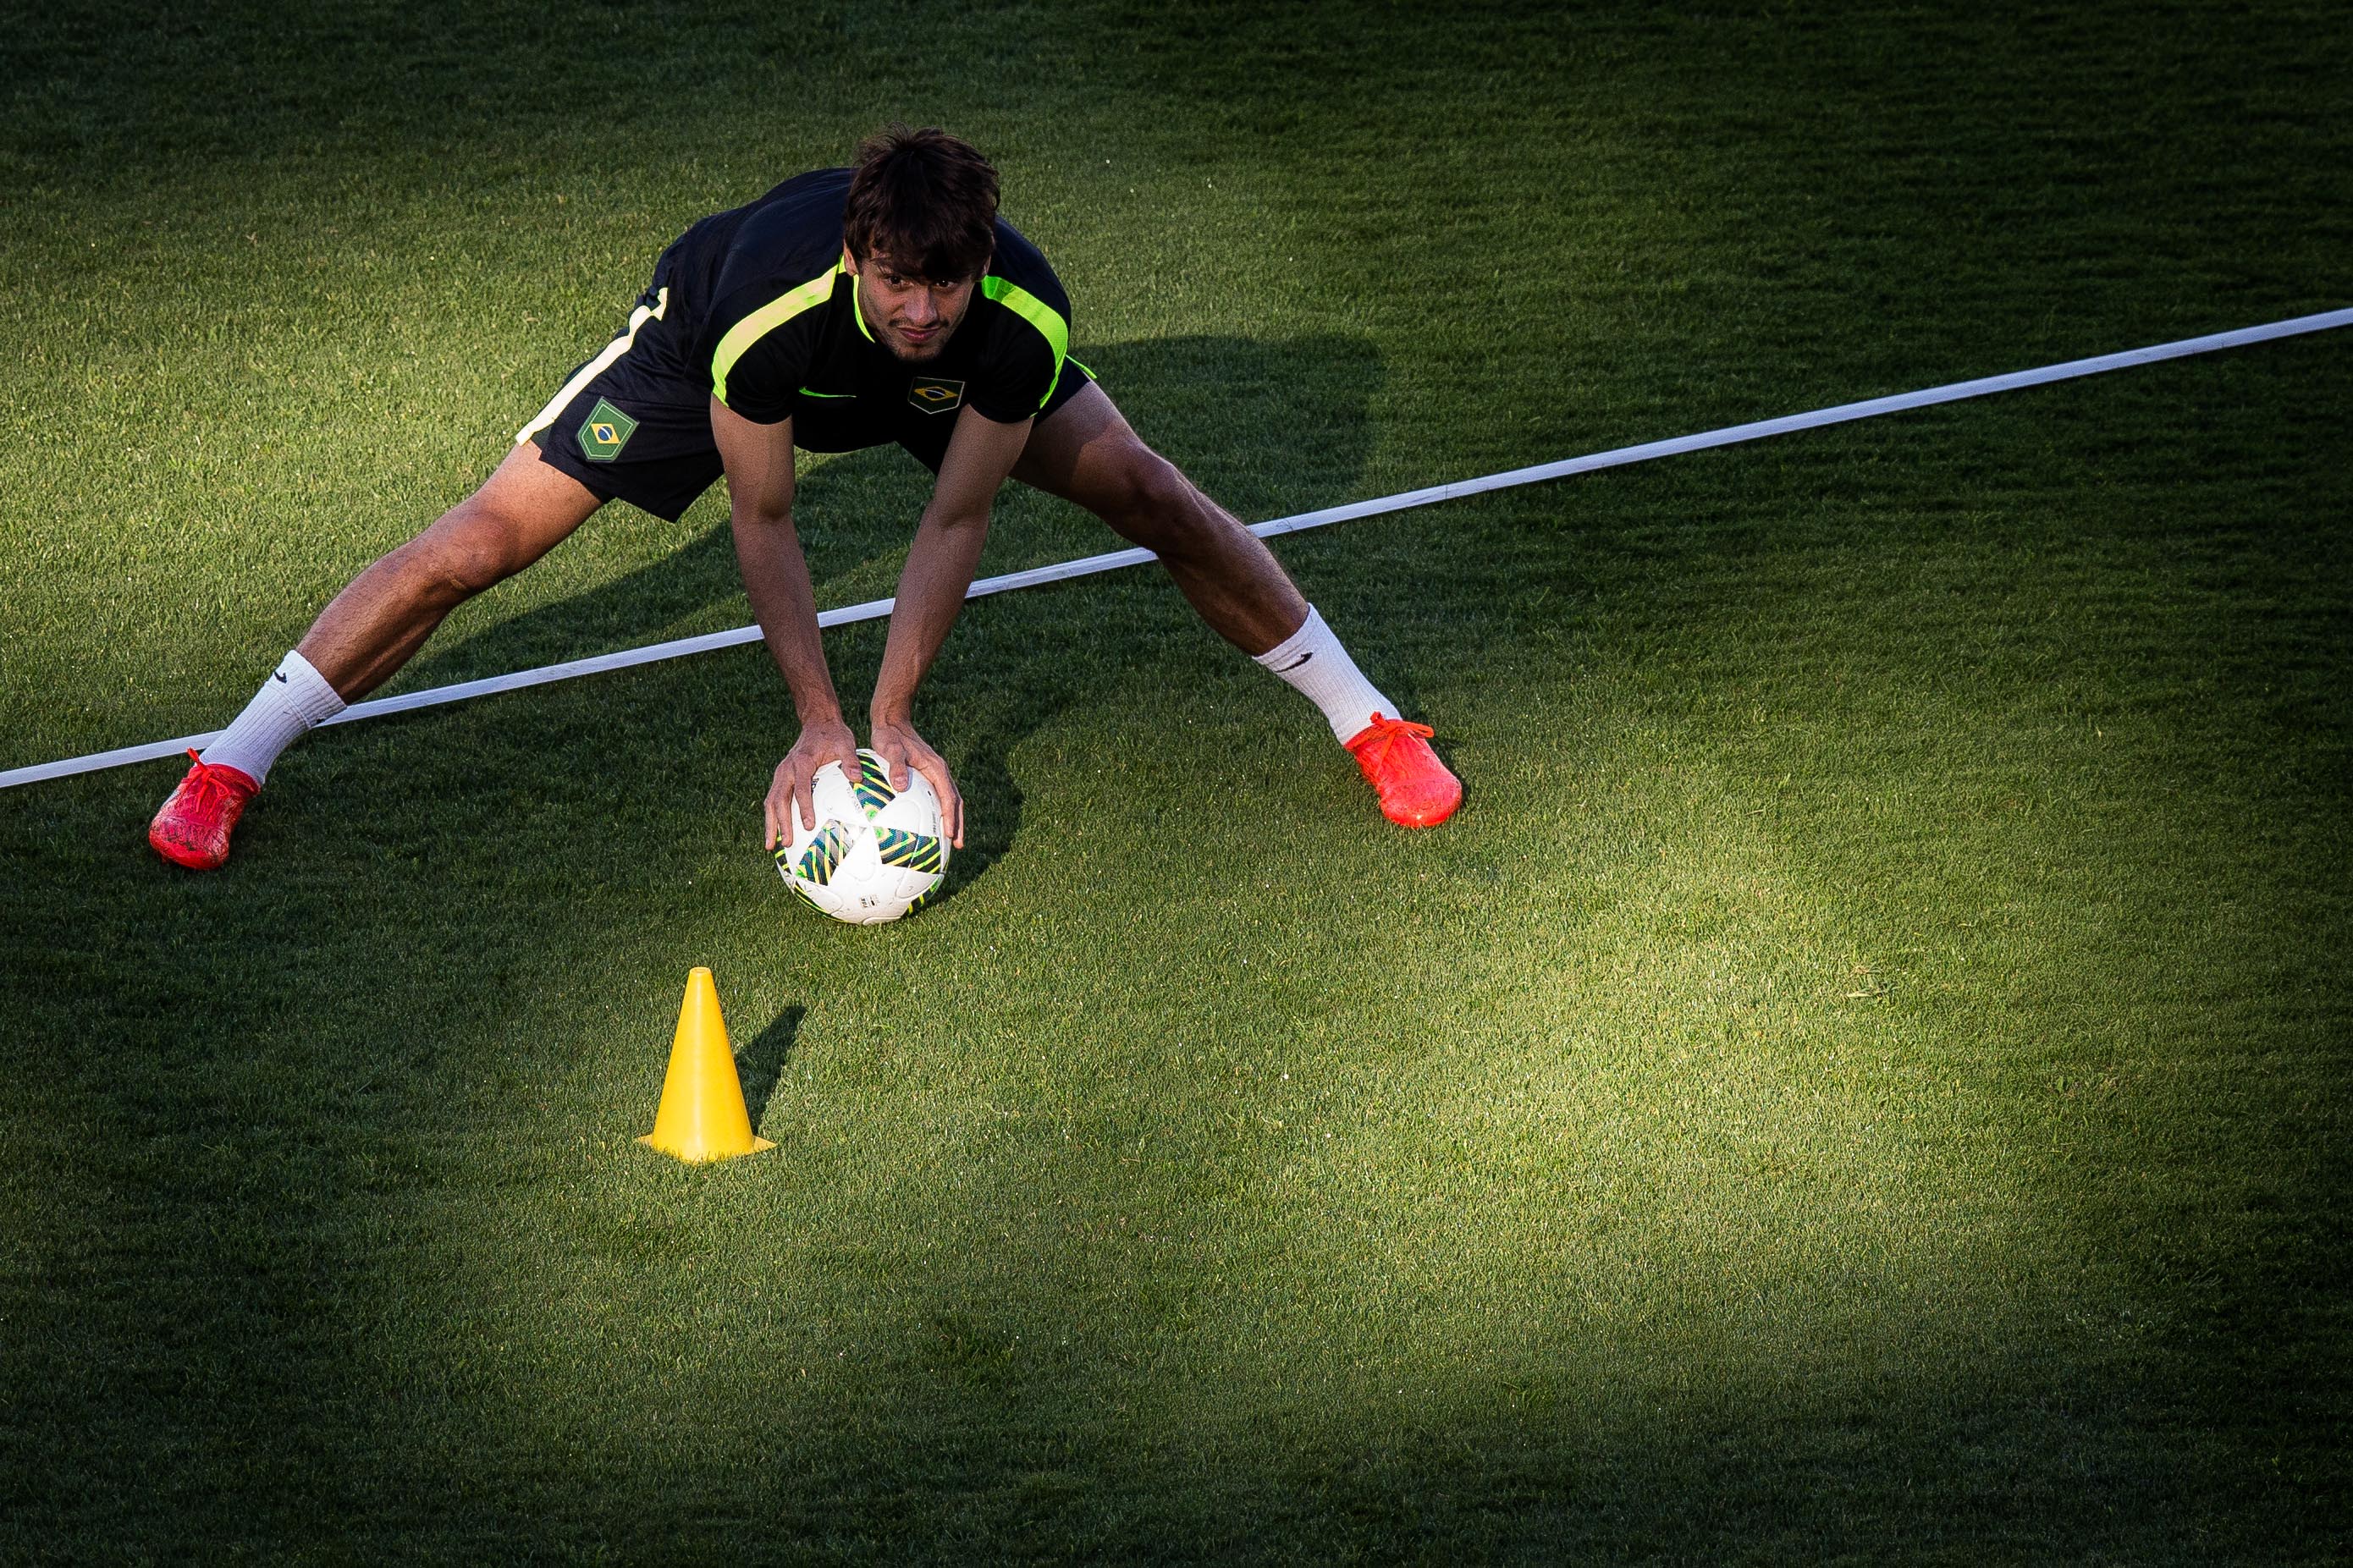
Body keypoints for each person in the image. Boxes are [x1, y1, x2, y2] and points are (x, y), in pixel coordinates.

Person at [148, 126, 1461, 872]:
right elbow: (762, 519)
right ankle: (230, 764)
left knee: (1160, 495)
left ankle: (1372, 724)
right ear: (856, 254)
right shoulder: (766, 321)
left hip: (940, 400)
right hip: (704, 345)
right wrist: (819, 725)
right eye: (897, 278)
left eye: (946, 281)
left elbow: (955, 520)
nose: (919, 305)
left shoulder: (1011, 327)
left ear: (979, 267)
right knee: (484, 539)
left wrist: (893, 715)